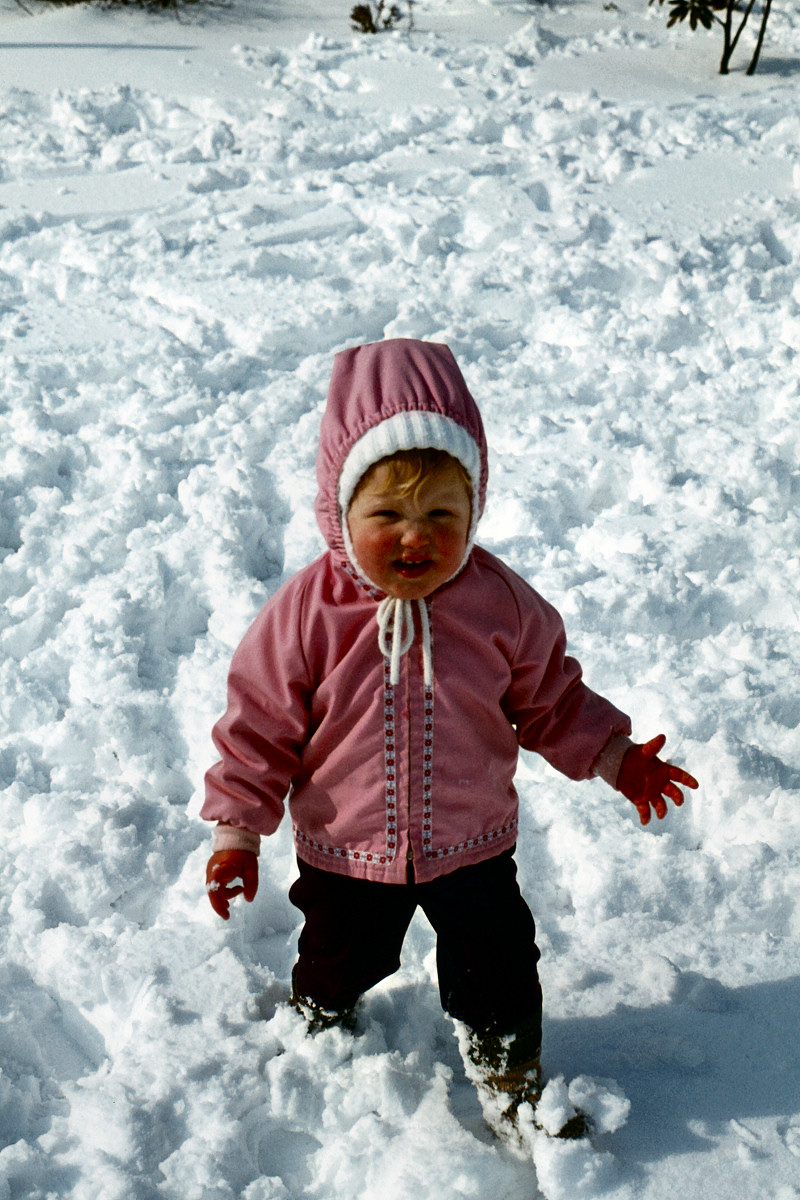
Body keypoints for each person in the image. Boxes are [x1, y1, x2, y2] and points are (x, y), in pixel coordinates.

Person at [201, 338, 697, 1144]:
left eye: (441, 515)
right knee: (338, 955)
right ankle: (319, 1021)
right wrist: (236, 831)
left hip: (472, 844)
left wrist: (615, 756)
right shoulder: (307, 615)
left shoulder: (498, 604)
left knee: (500, 967)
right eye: (387, 516)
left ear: (474, 509)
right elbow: (259, 727)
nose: (415, 537)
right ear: (340, 511)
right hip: (345, 846)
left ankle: (511, 1078)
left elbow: (551, 698)